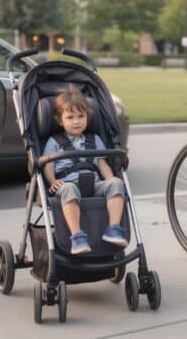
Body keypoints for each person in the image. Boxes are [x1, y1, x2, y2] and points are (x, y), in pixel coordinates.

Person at [43, 85, 128, 255]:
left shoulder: (94, 139)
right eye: (70, 117)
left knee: (117, 184)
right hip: (68, 183)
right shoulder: (54, 141)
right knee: (68, 188)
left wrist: (111, 179)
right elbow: (48, 165)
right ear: (60, 121)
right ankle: (77, 237)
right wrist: (52, 182)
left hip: (95, 184)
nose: (76, 121)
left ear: (87, 117)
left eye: (81, 116)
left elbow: (102, 163)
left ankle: (114, 228)